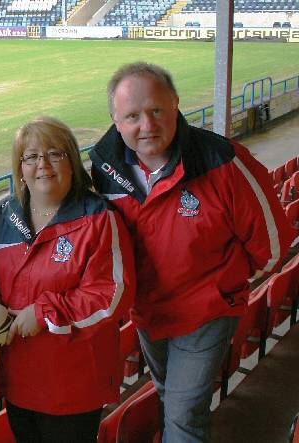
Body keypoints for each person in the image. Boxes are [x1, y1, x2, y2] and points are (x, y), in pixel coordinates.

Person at [89, 62, 293, 442]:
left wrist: (220, 285)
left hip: (206, 313)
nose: (147, 125)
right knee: (172, 400)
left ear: (176, 104)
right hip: (149, 313)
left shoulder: (223, 161)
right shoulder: (102, 169)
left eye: (156, 110)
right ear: (115, 121)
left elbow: (272, 246)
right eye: (132, 115)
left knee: (184, 415)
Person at [0, 116, 136, 442]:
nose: (43, 165)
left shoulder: (98, 218)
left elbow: (112, 294)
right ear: (19, 167)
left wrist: (44, 311)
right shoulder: (2, 216)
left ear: (72, 160)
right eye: (31, 156)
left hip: (73, 385)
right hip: (19, 381)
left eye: (55, 153)